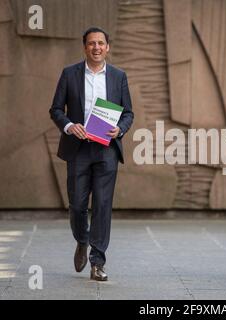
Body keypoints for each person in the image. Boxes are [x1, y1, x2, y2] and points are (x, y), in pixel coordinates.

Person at [49, 27, 134, 281]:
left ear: (107, 47)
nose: (96, 47)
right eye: (91, 43)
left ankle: (98, 261)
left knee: (102, 205)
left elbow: (128, 113)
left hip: (106, 148)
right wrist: (68, 125)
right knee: (76, 205)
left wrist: (120, 129)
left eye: (100, 43)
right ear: (84, 47)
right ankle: (82, 239)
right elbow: (55, 109)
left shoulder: (119, 76)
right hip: (78, 148)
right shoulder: (70, 74)